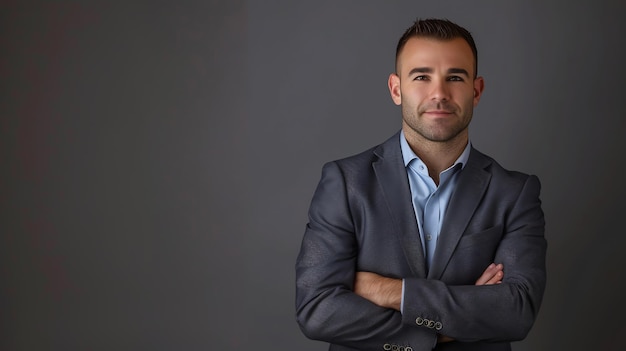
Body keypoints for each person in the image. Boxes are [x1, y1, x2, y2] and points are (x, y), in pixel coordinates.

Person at [295, 18, 547, 351]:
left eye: (454, 77)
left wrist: (390, 291)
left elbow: (515, 313)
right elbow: (317, 310)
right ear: (396, 89)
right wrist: (442, 330)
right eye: (422, 76)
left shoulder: (515, 193)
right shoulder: (345, 182)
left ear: (476, 90)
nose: (439, 93)